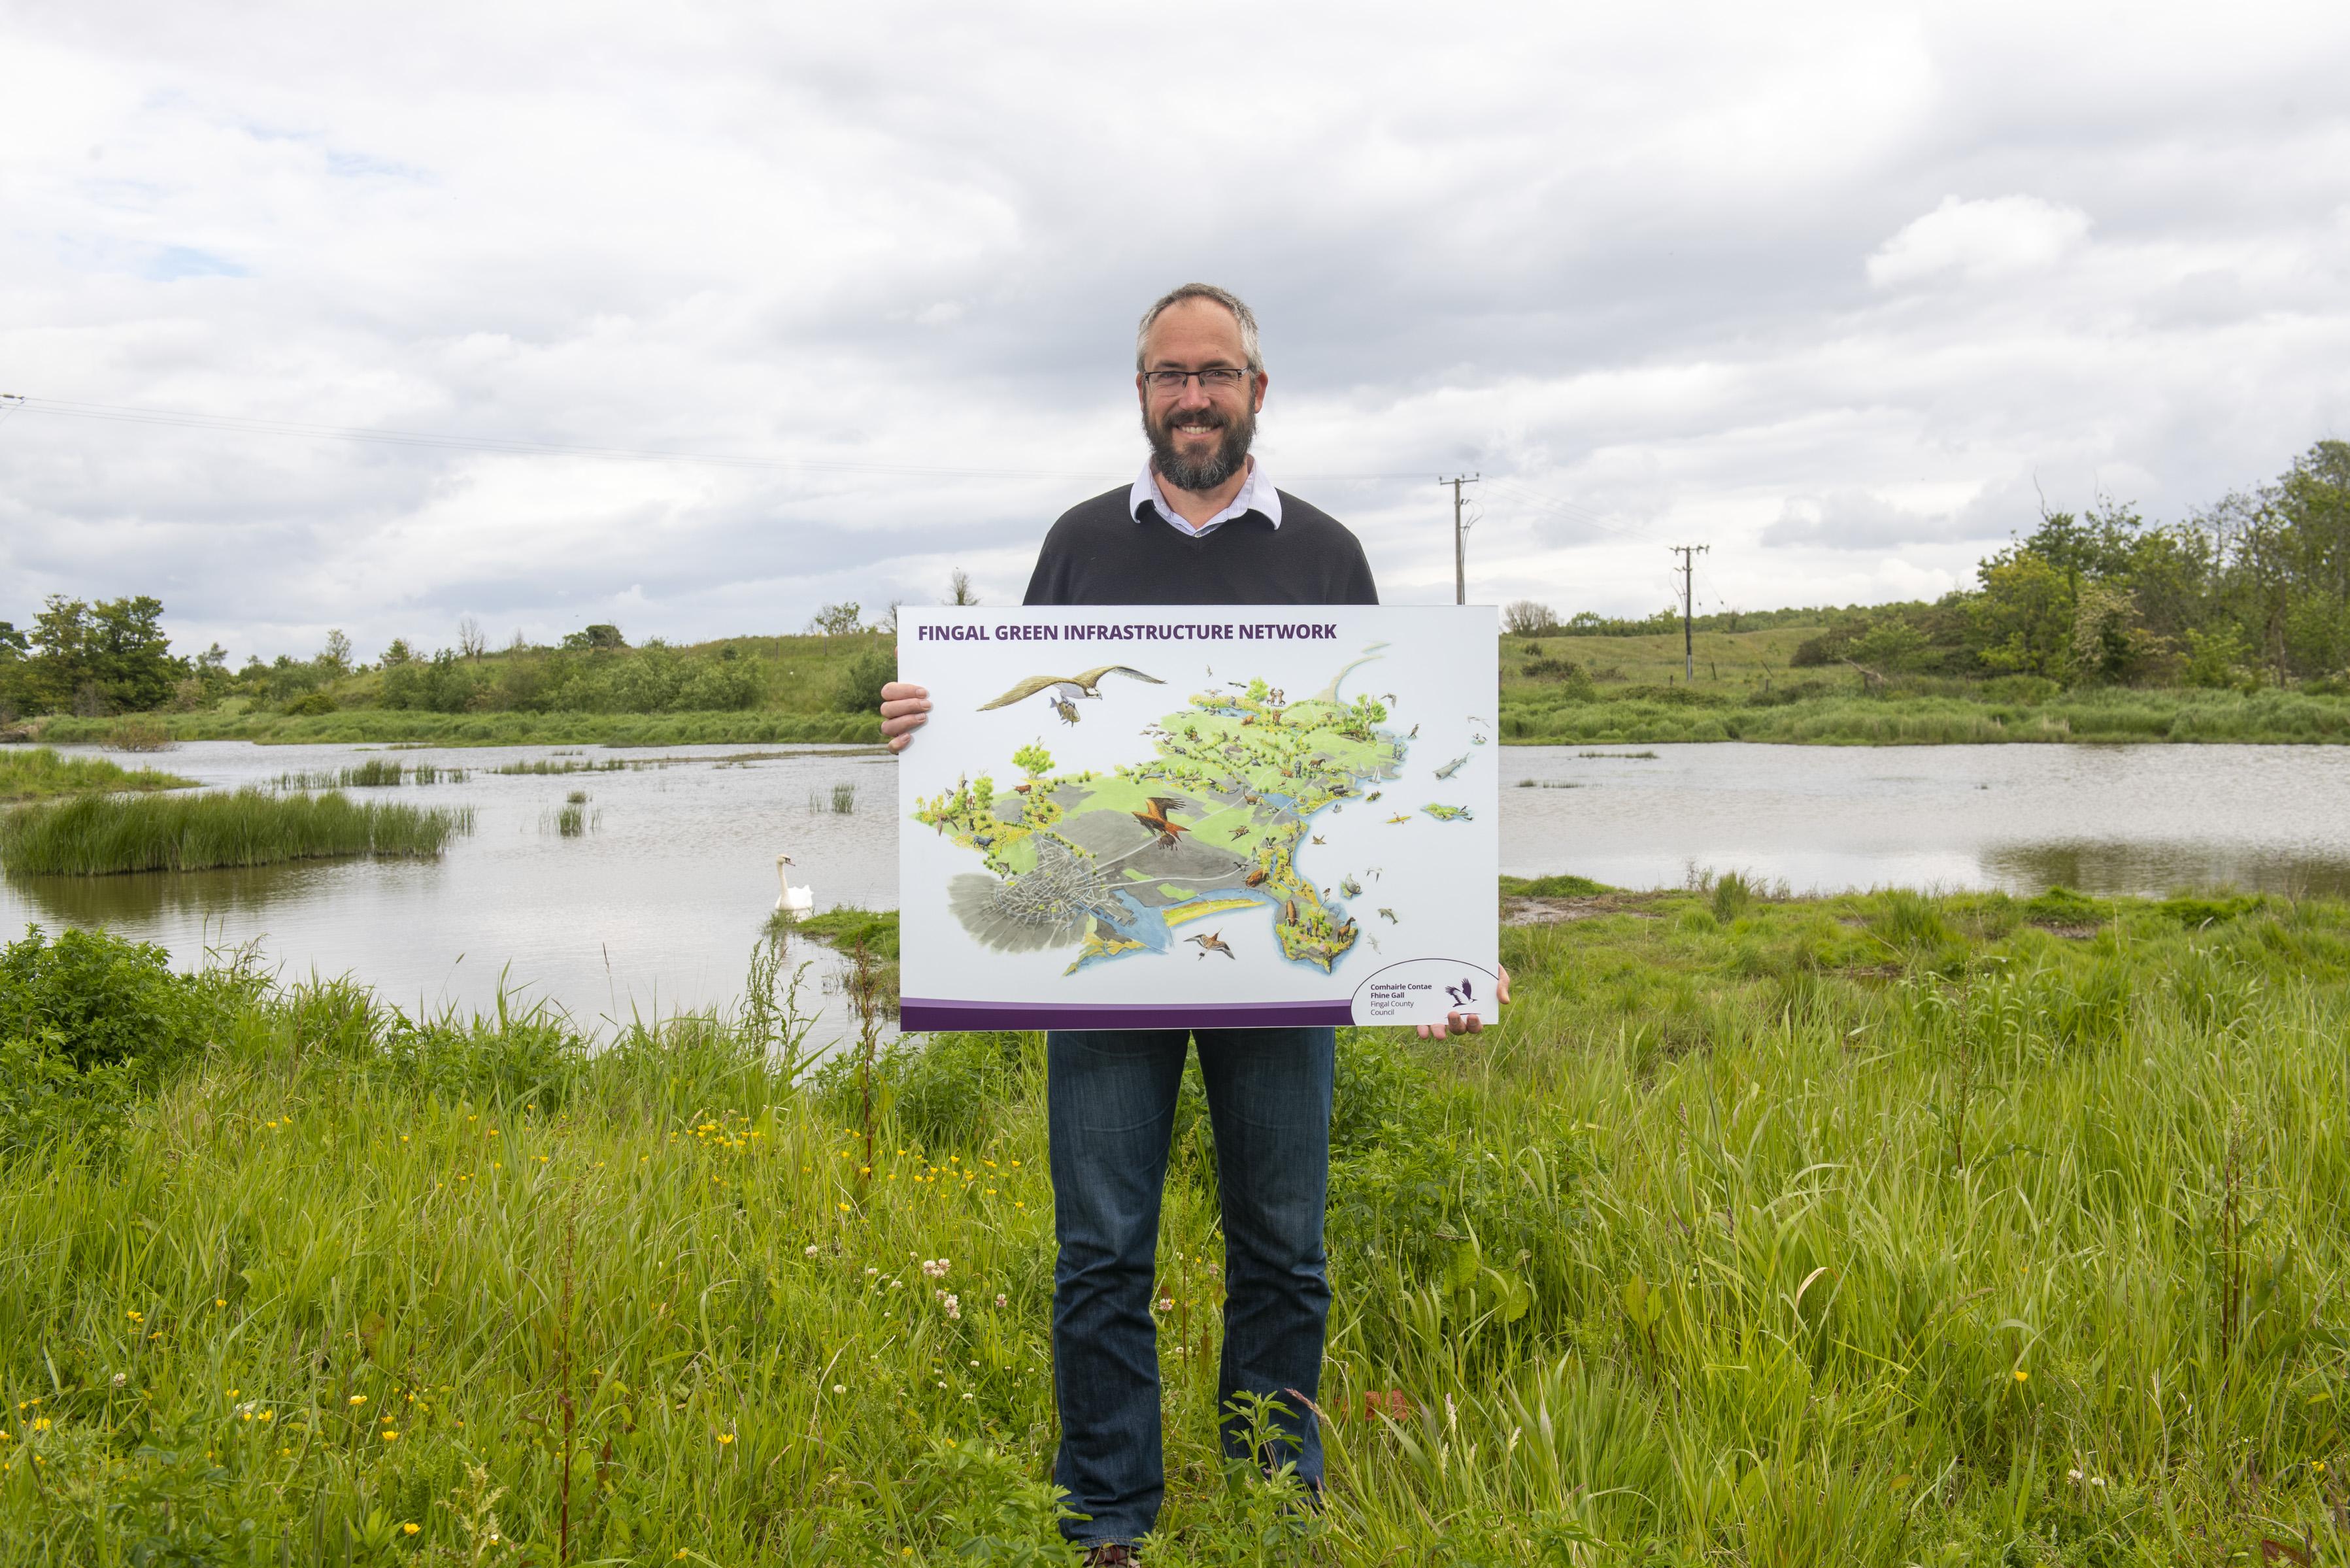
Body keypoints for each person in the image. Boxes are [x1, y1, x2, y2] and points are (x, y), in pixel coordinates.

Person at [880, 283, 1505, 1564]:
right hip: (1106, 968)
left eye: (1216, 374)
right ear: (1142, 397)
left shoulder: (1325, 553)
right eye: (1171, 377)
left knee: (1282, 1252)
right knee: (1100, 1251)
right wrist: (925, 726)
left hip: (1272, 967)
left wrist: (1421, 951)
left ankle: (1275, 1510)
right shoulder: (1076, 546)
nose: (1194, 398)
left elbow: (1384, 753)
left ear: (1258, 393)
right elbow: (1022, 737)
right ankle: (1109, 1520)